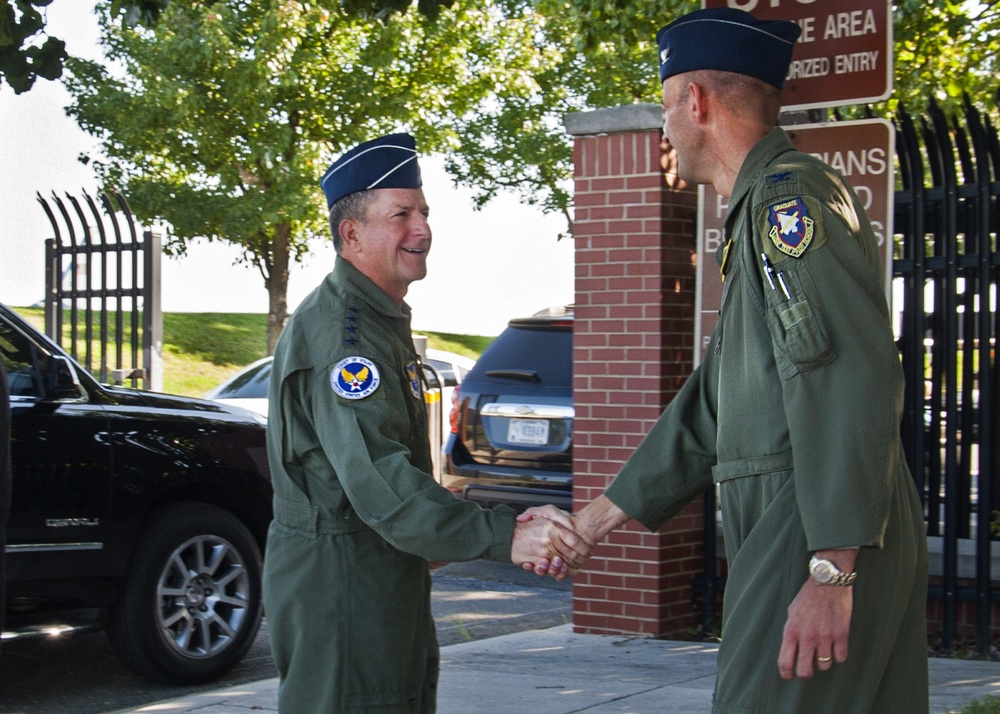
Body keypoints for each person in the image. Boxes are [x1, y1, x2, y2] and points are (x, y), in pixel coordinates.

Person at [530, 8, 929, 713]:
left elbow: (849, 378)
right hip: (810, 519)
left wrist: (833, 570)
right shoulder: (757, 216)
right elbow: (710, 409)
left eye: (664, 107)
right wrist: (590, 524)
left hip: (811, 525)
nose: (662, 128)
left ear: (698, 102)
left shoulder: (788, 205)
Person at [261, 132, 590, 713]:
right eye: (401, 214)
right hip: (345, 588)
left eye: (424, 212)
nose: (422, 229)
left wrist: (464, 525)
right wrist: (504, 536)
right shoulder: (347, 336)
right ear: (351, 233)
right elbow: (382, 486)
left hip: (381, 574)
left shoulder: (376, 318)